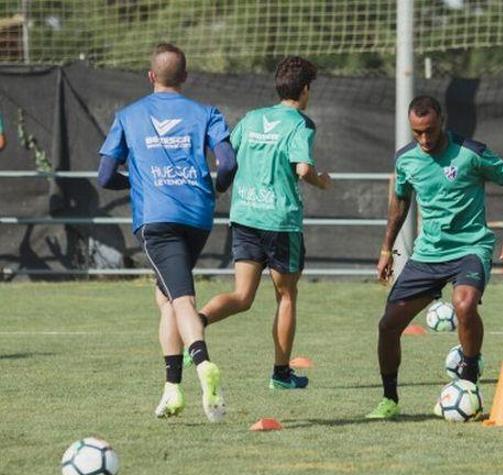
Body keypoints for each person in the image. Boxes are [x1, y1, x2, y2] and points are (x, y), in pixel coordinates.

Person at [97, 43, 237, 422]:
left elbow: (106, 175)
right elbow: (227, 162)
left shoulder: (129, 115)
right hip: (197, 217)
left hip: (157, 220)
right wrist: (218, 188)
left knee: (181, 300)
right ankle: (172, 390)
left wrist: (138, 181)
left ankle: (203, 363)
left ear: (150, 76)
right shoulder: (205, 112)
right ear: (185, 77)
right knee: (165, 297)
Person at [366, 95, 503, 420]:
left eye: (430, 131)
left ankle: (468, 377)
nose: (424, 139)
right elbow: (400, 203)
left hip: (470, 247)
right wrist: (386, 249)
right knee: (388, 325)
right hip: (428, 254)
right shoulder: (406, 160)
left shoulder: (471, 153)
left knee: (464, 304)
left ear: (442, 121)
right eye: (417, 133)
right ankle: (389, 398)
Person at [197, 56, 331, 389]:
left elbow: (228, 157)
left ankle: (196, 325)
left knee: (242, 296)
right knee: (286, 296)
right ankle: (281, 375)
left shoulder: (252, 118)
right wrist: (322, 181)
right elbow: (302, 169)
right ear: (304, 89)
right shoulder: (301, 124)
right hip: (279, 221)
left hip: (244, 216)